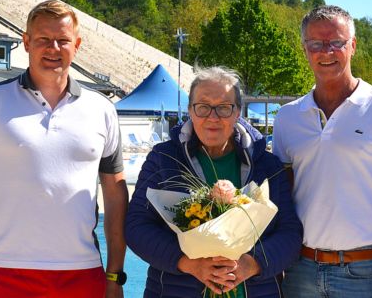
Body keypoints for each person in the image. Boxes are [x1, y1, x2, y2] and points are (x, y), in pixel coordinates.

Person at [0, 0, 129, 298]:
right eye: (43, 39)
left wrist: (114, 276)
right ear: (27, 42)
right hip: (2, 271)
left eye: (63, 40)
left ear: (77, 45)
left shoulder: (102, 109)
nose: (53, 48)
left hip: (82, 273)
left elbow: (116, 195)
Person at [273, 5, 372, 298]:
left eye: (336, 42)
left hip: (364, 272)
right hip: (299, 269)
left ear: (352, 45)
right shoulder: (287, 117)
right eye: (316, 44)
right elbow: (282, 200)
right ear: (305, 49)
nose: (326, 51)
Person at [125, 66, 303, 298]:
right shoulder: (163, 159)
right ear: (190, 110)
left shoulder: (267, 166)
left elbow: (290, 233)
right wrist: (188, 263)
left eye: (224, 108)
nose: (213, 117)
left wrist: (253, 264)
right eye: (203, 107)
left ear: (238, 112)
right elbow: (137, 227)